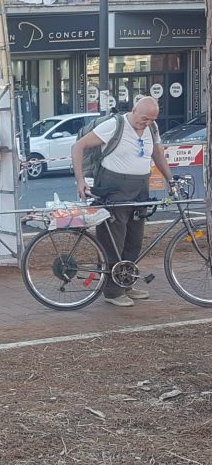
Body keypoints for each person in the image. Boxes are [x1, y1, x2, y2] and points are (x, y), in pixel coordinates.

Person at [72, 96, 173, 307]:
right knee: (113, 242)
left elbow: (157, 154)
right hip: (114, 187)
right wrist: (80, 179)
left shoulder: (151, 128)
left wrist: (170, 179)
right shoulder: (115, 125)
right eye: (143, 118)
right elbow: (79, 146)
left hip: (140, 189)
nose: (144, 124)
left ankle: (126, 283)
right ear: (134, 109)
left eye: (150, 120)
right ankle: (112, 291)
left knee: (133, 240)